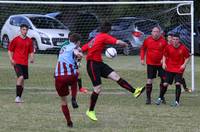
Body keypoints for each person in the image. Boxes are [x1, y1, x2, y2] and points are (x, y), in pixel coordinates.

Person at [81, 21, 145, 121]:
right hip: (92, 65)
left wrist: (79, 51)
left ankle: (135, 91)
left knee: (116, 77)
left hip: (99, 63)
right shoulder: (104, 36)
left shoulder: (97, 37)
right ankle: (90, 111)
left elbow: (84, 47)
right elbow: (117, 42)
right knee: (97, 89)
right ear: (109, 30)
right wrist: (124, 44)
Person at [54, 33, 83, 127]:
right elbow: (76, 53)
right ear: (78, 42)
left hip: (58, 76)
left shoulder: (63, 47)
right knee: (75, 78)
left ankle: (69, 122)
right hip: (70, 75)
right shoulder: (75, 47)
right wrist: (79, 56)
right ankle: (74, 98)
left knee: (63, 101)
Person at [156, 33, 190, 106]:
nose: (175, 41)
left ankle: (177, 102)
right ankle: (160, 98)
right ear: (172, 40)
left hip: (179, 69)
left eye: (176, 39)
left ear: (179, 40)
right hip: (169, 68)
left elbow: (187, 57)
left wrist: (184, 65)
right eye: (173, 39)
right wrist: (164, 63)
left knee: (178, 83)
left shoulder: (183, 48)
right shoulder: (168, 47)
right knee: (165, 84)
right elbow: (164, 55)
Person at [140, 26, 168, 105]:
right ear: (151, 32)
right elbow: (143, 49)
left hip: (161, 64)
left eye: (157, 32)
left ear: (160, 33)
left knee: (164, 80)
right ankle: (148, 98)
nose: (155, 33)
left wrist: (164, 59)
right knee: (149, 80)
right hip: (151, 64)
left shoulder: (163, 41)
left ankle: (161, 97)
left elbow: (167, 52)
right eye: (154, 31)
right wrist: (142, 59)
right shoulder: (147, 40)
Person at [8, 24, 34, 103]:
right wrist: (11, 59)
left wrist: (32, 58)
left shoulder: (29, 41)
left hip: (25, 63)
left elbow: (31, 51)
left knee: (22, 81)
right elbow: (10, 50)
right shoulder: (16, 39)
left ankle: (19, 97)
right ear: (20, 30)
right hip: (17, 62)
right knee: (21, 77)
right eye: (23, 29)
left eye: (26, 30)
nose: (25, 31)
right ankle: (17, 97)